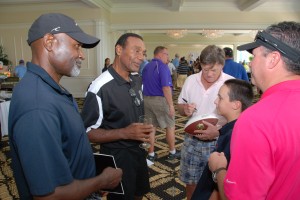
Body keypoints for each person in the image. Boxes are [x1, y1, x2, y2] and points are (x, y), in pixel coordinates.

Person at [8, 13, 122, 199]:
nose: (82, 55)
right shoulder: (38, 106)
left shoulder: (49, 89)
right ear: (49, 42)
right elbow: (49, 196)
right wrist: (101, 181)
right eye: (76, 46)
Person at [208, 21, 300, 199]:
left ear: (273, 59)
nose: (250, 64)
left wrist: (218, 169)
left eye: (254, 56)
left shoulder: (257, 119)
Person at [81, 33, 153, 200]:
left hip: (139, 152)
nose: (141, 57)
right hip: (117, 157)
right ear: (119, 49)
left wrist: (144, 131)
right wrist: (125, 133)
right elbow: (87, 132)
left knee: (138, 193)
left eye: (143, 52)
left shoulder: (136, 79)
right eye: (136, 51)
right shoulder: (99, 87)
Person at [177, 45, 234, 200]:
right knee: (191, 184)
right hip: (192, 140)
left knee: (218, 187)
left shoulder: (230, 83)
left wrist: (219, 132)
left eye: (213, 70)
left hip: (219, 142)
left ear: (222, 65)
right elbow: (180, 107)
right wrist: (185, 109)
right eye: (205, 68)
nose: (208, 74)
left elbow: (238, 119)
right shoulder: (190, 80)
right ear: (200, 64)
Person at [191, 79, 254, 200]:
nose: (215, 101)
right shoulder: (234, 127)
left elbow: (221, 186)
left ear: (236, 104)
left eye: (220, 98)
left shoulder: (234, 137)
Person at [142, 46, 180, 161]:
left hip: (147, 100)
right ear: (159, 54)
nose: (168, 57)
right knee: (170, 126)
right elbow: (166, 88)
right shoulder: (162, 67)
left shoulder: (146, 66)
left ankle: (151, 154)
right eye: (166, 54)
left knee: (151, 128)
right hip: (160, 100)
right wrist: (171, 105)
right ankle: (172, 152)